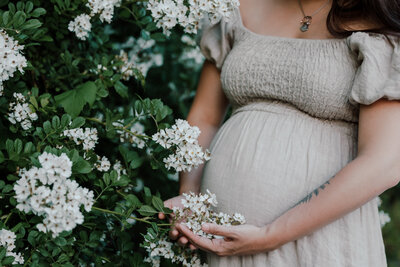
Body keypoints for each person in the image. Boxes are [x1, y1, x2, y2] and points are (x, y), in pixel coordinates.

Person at [158, 0, 400, 265]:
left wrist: (272, 235)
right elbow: (205, 117)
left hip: (318, 242)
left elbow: (383, 162)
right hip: (222, 238)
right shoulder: (238, 8)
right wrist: (190, 195)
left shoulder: (378, 27)